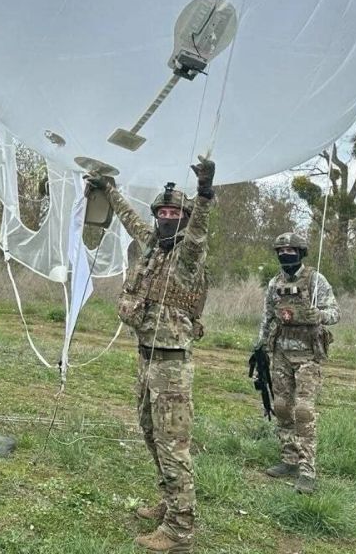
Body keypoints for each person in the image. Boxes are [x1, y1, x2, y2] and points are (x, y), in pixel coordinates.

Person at [85, 157, 215, 554]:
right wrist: (108, 189)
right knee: (149, 432)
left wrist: (205, 193)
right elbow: (127, 218)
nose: (168, 218)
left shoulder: (188, 255)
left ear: (185, 217)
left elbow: (197, 232)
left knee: (173, 443)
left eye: (176, 213)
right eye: (163, 212)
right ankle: (169, 501)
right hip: (147, 359)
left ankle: (180, 532)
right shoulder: (153, 247)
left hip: (172, 365)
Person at [254, 232, 340, 494]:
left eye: (291, 250)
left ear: (300, 252)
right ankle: (289, 460)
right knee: (281, 407)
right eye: (281, 251)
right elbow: (268, 317)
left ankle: (307, 471)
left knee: (303, 412)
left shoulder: (316, 280)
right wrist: (259, 348)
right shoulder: (274, 283)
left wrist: (319, 315)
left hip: (307, 358)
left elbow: (336, 313)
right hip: (280, 354)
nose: (285, 254)